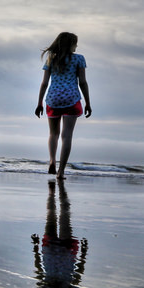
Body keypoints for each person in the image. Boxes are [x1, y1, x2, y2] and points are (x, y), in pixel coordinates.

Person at [35, 32, 91, 179]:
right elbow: (83, 83)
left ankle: (52, 160)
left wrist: (39, 102)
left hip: (53, 99)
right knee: (67, 136)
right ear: (70, 44)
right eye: (75, 43)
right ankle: (61, 172)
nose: (77, 46)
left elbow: (44, 83)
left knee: (53, 134)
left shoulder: (51, 59)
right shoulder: (79, 59)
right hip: (71, 99)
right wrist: (88, 103)